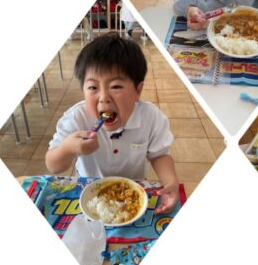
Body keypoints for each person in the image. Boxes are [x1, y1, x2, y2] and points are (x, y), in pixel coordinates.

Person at [46, 34, 179, 214]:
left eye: (115, 86)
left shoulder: (151, 117)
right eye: (93, 88)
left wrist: (170, 182)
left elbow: (159, 155)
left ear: (137, 90)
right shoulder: (76, 118)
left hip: (132, 193)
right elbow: (53, 166)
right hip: (89, 195)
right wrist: (68, 148)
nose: (103, 98)